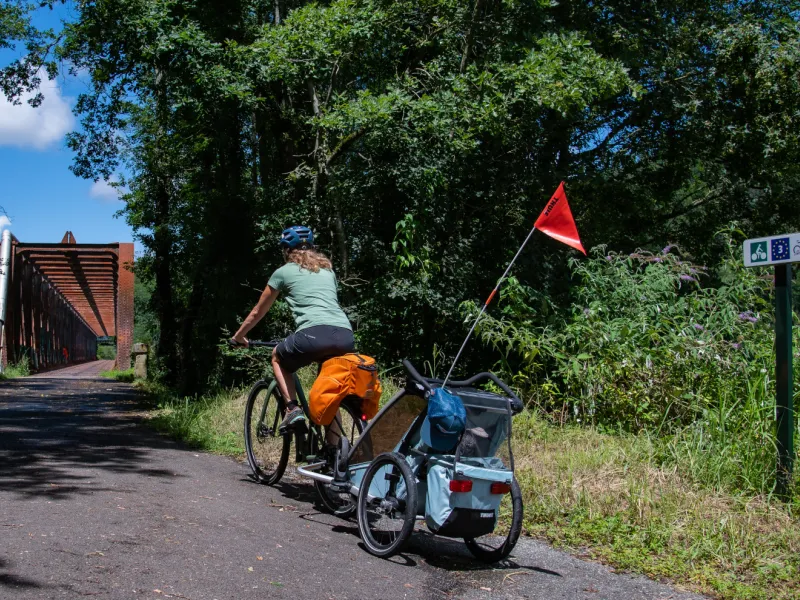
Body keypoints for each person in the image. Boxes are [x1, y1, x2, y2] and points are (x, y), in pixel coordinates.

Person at [231, 226, 354, 433]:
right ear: (312, 247)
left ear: (286, 250)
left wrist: (239, 336)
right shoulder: (328, 271)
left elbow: (258, 312)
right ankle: (333, 449)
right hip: (345, 335)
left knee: (277, 357)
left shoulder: (283, 272)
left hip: (313, 335)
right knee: (329, 395)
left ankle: (292, 409)